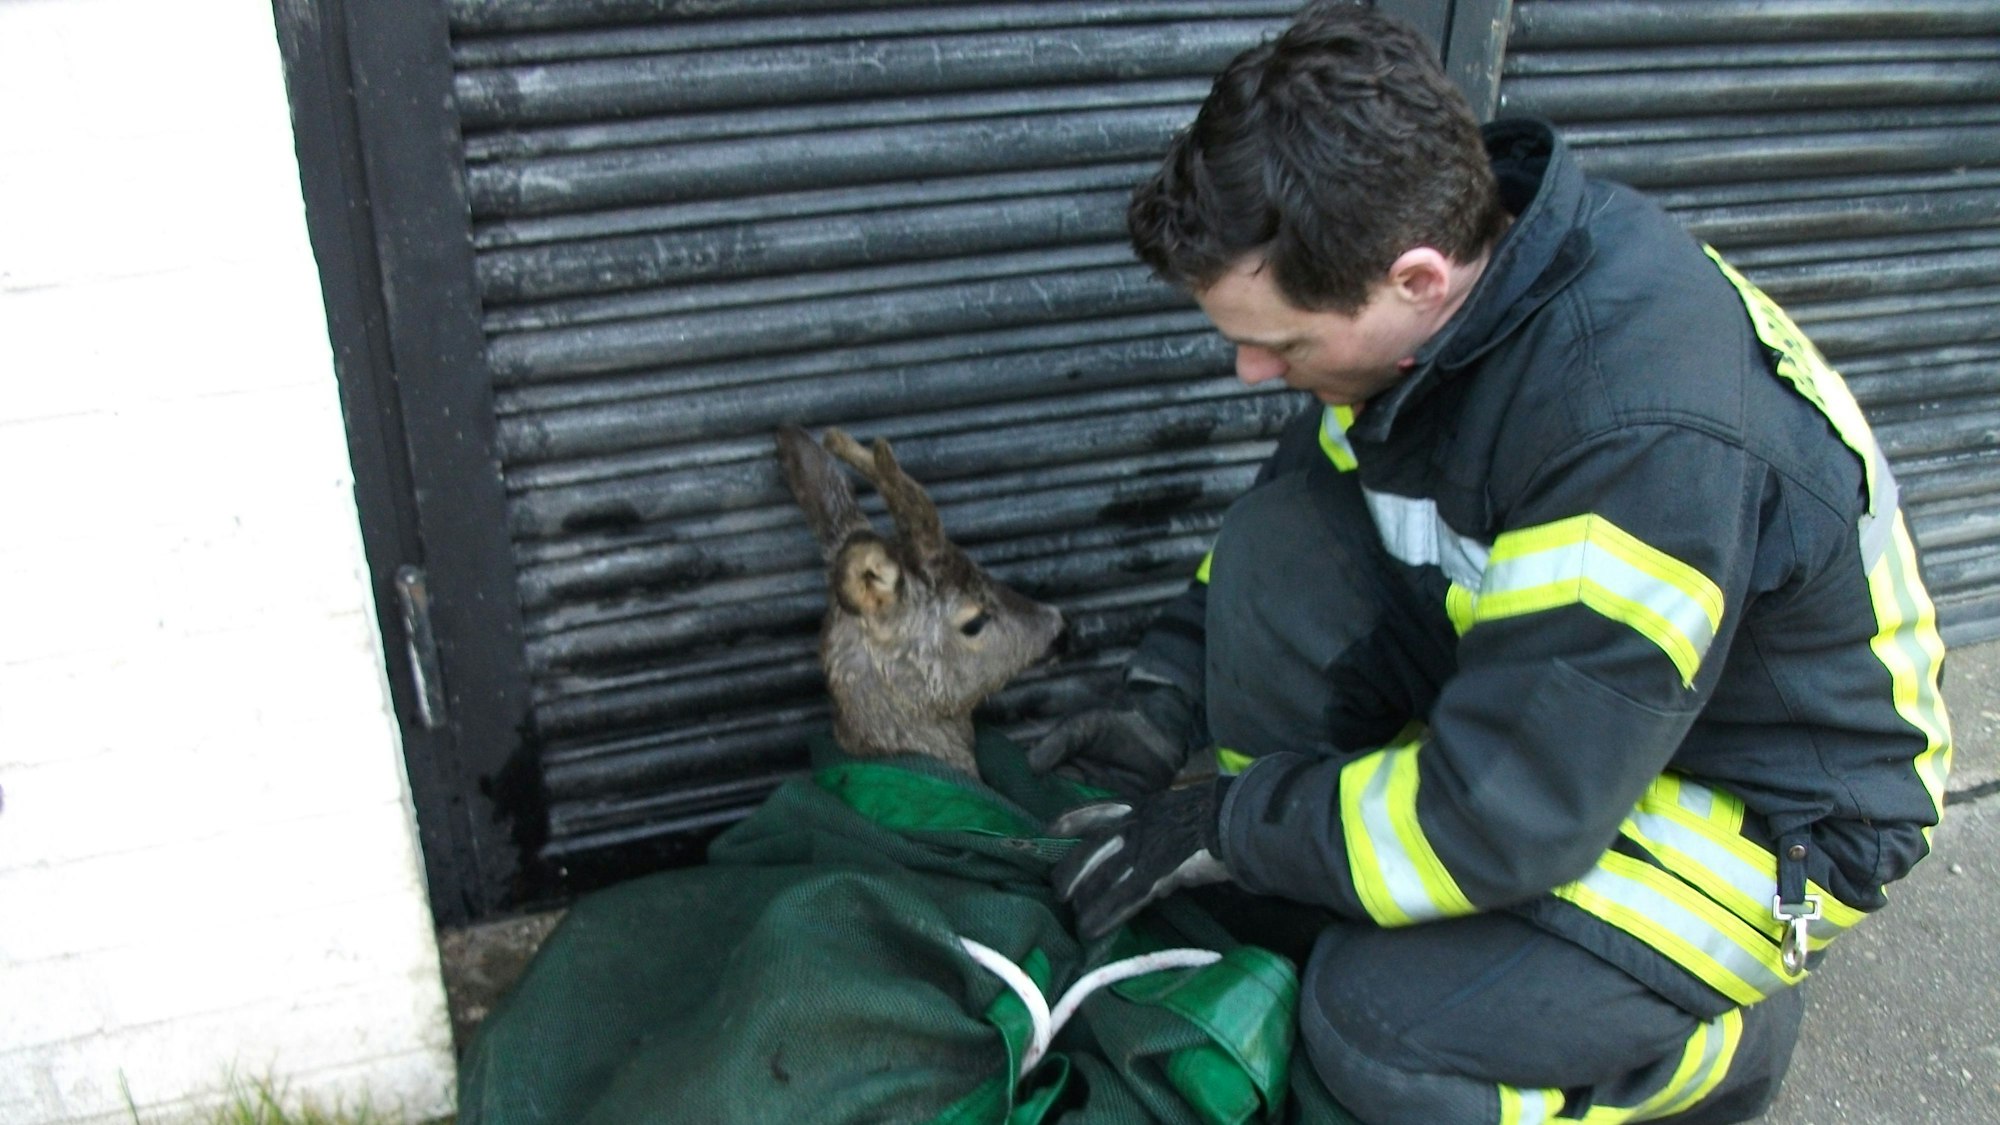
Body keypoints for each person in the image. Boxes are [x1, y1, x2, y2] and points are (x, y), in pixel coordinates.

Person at [1031, 5, 1954, 1123]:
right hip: (1586, 718)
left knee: (1373, 1030)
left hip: (1763, 809)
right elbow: (1293, 519)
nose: (1248, 370)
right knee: (1283, 551)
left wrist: (1231, 823)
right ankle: (1385, 908)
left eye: (1279, 342)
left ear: (1414, 277)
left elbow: (1504, 812)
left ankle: (1716, 1050)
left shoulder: (1634, 437)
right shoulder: (1451, 310)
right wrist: (1161, 698)